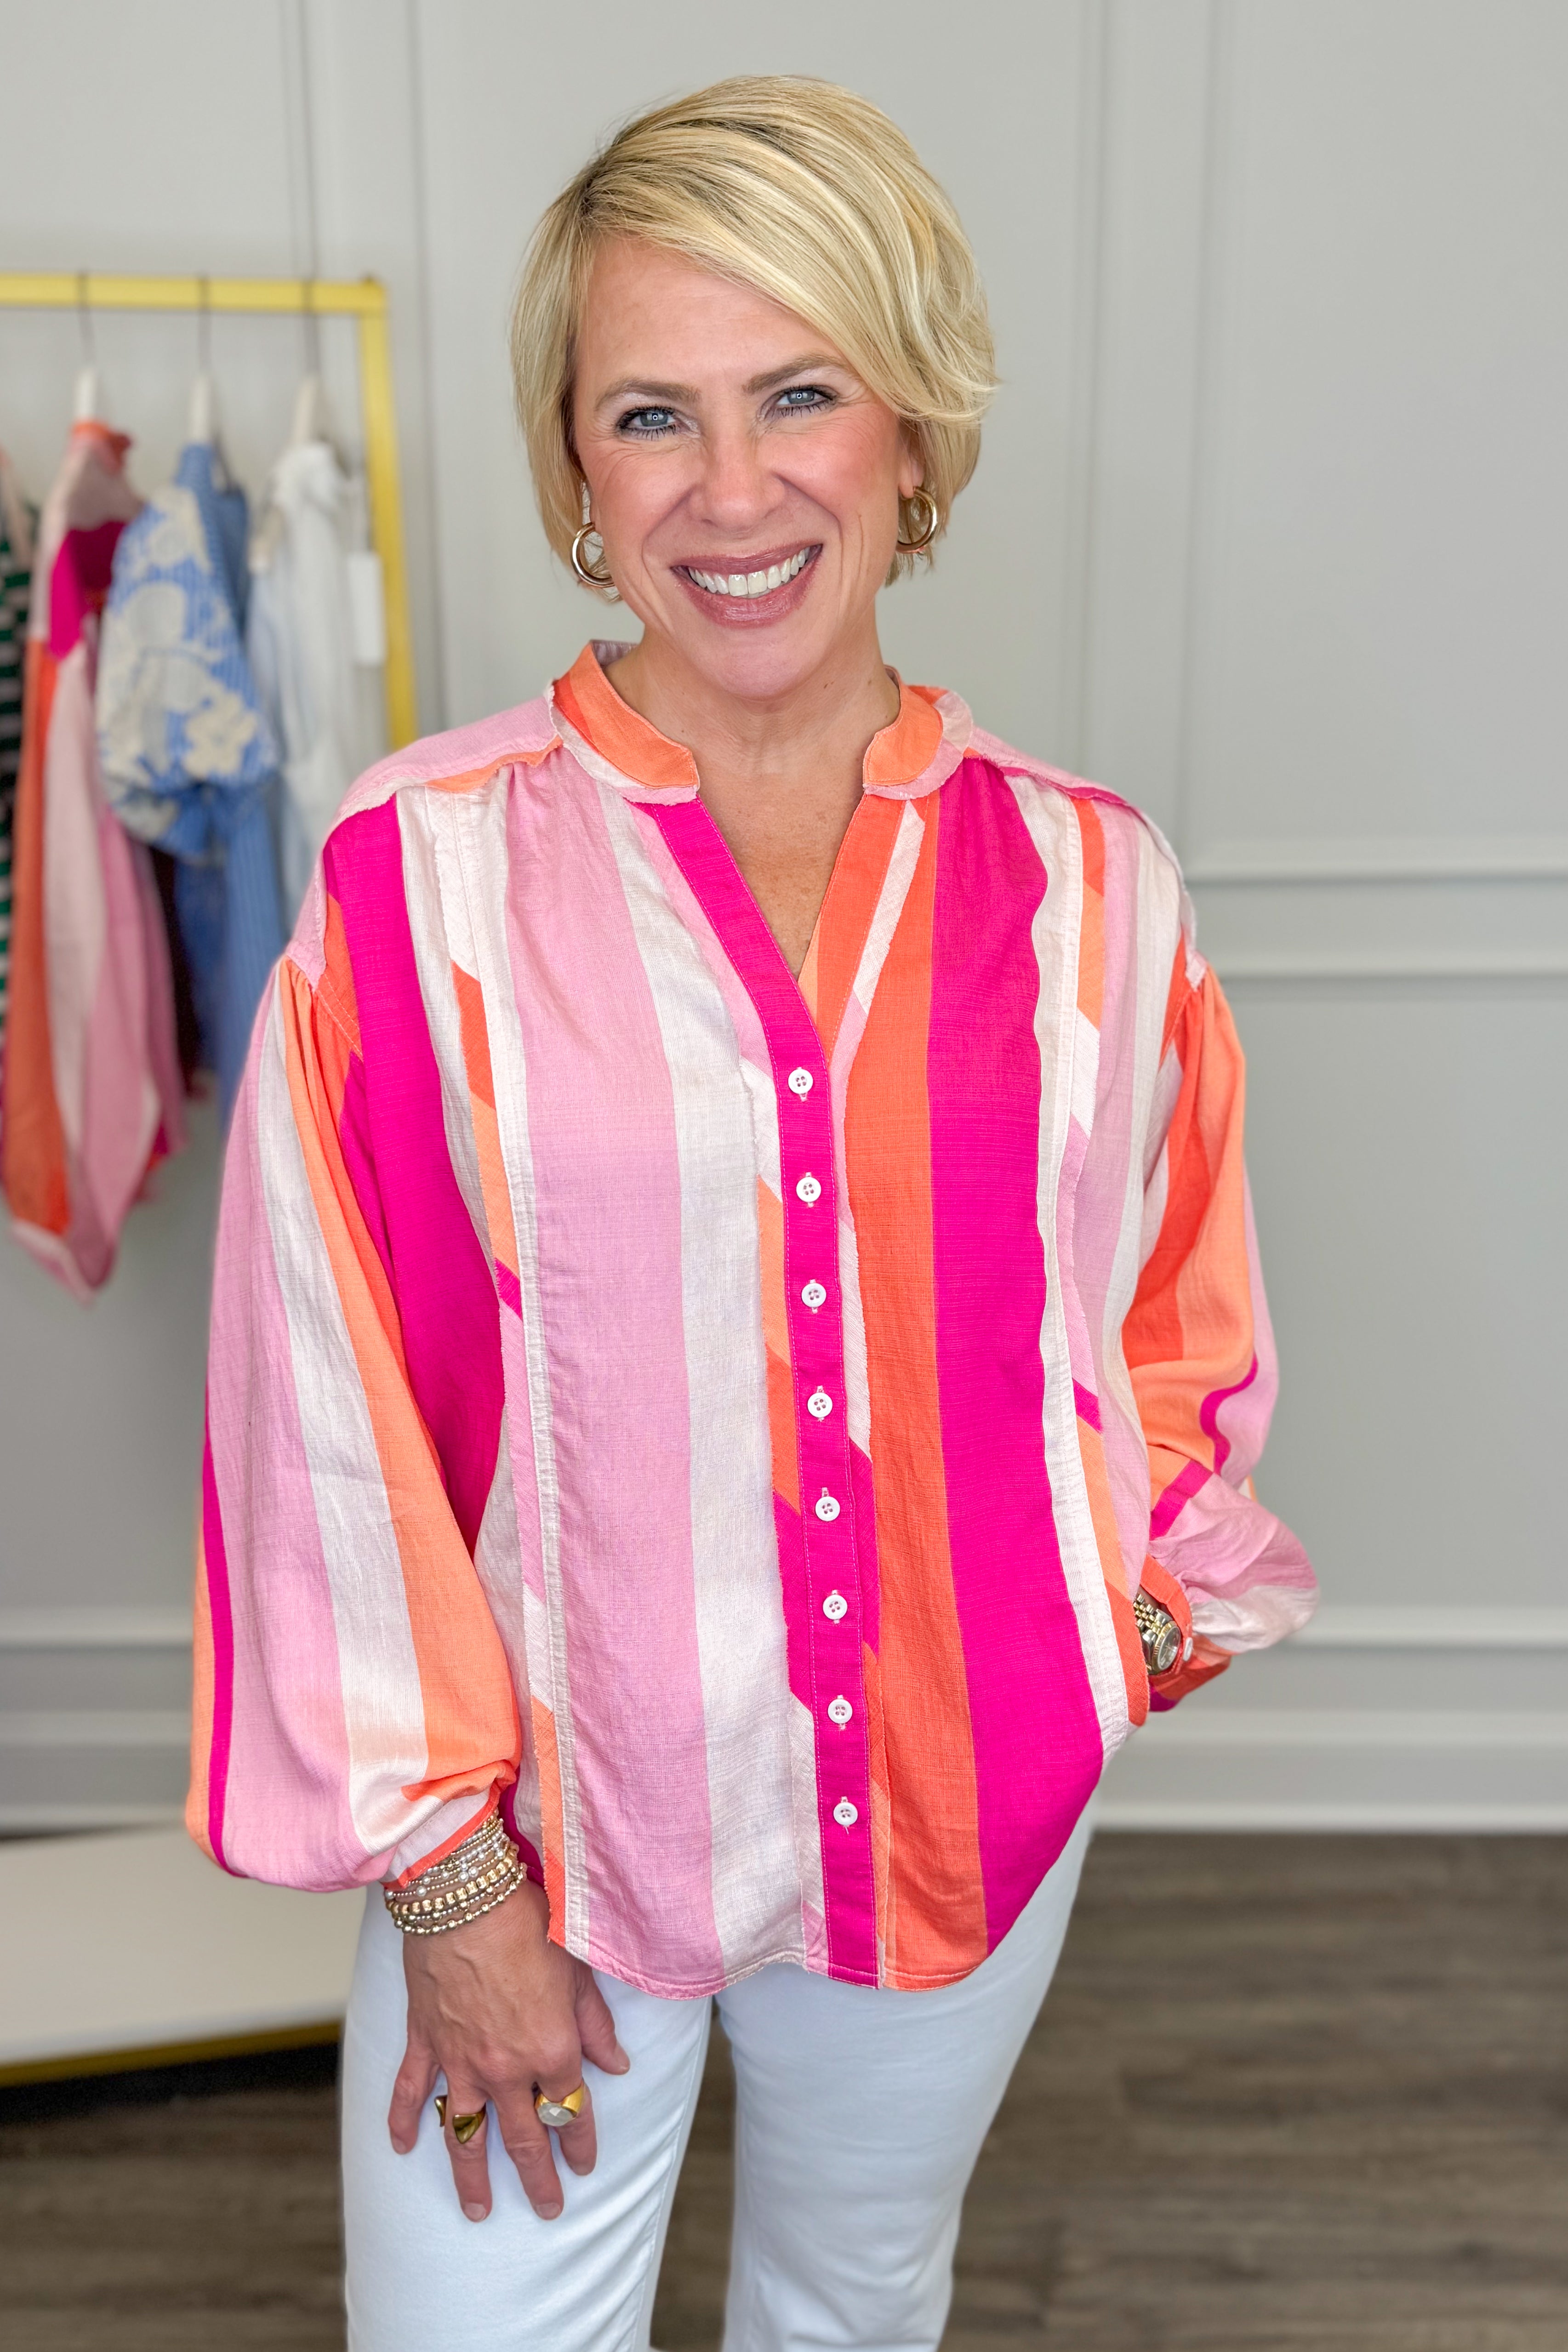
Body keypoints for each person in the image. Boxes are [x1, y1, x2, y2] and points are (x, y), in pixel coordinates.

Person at [188, 75, 1316, 2352]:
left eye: (797, 394)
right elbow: (321, 1410)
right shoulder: (413, 888)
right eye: (650, 416)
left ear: (907, 426)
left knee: (852, 2302)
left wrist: (1116, 1628)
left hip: (962, 1815)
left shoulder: (1096, 884)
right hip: (547, 1848)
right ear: (579, 477)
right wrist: (449, 1871)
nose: (731, 488)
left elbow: (1166, 1312)